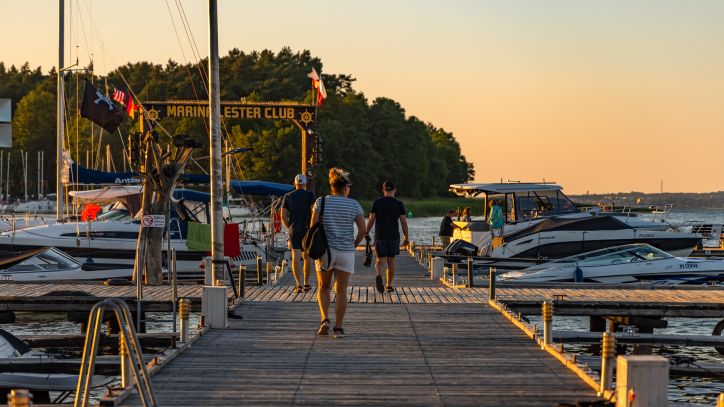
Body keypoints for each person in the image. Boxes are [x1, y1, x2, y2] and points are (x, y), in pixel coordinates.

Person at [311, 168, 366, 338]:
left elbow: (313, 227)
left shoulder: (321, 202)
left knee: (323, 287)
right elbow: (363, 230)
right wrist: (354, 244)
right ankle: (339, 328)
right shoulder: (354, 204)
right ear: (345, 188)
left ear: (332, 187)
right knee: (341, 290)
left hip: (325, 251)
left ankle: (325, 319)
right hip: (346, 252)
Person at [365, 180, 409, 293]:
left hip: (380, 236)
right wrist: (406, 237)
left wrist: (366, 232)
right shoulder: (399, 204)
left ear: (383, 190)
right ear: (395, 189)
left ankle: (379, 275)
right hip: (393, 236)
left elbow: (371, 219)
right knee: (391, 261)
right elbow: (403, 222)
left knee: (380, 260)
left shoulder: (377, 202)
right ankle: (389, 285)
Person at [281, 174, 315, 293]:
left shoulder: (287, 196)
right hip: (307, 229)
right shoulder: (310, 195)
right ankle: (306, 283)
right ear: (305, 184)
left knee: (296, 256)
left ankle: (298, 285)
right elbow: (313, 211)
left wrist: (289, 227)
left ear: (295, 183)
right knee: (307, 257)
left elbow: (283, 215)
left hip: (294, 229)